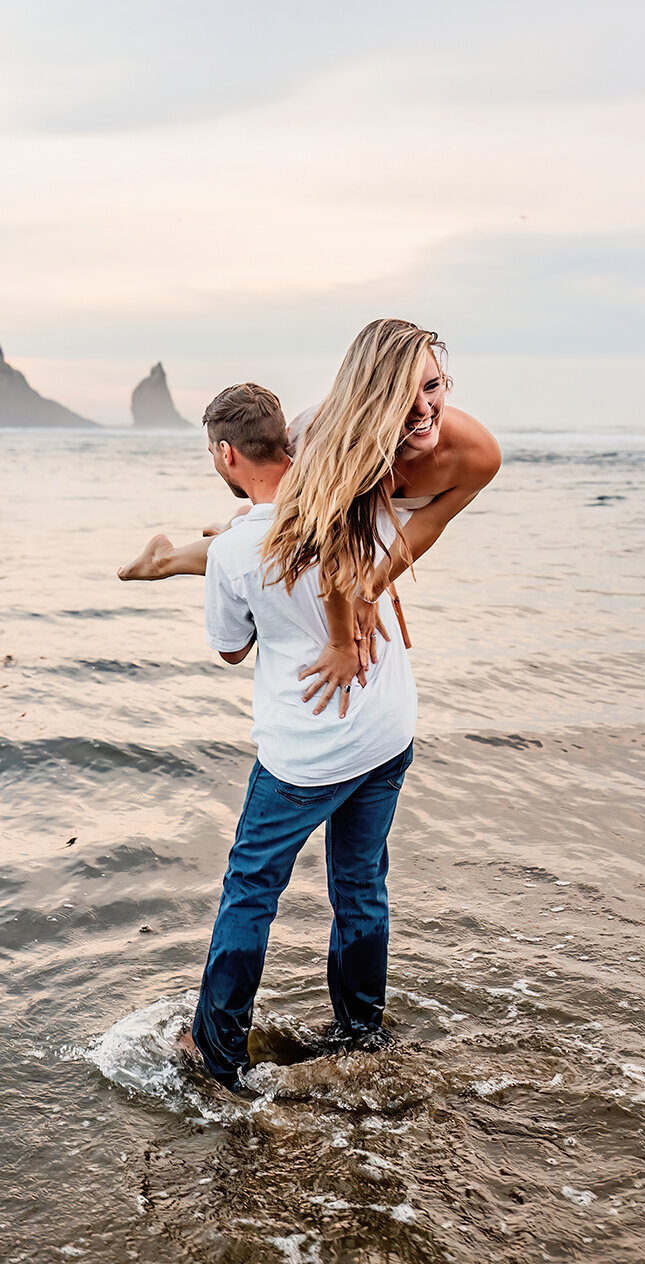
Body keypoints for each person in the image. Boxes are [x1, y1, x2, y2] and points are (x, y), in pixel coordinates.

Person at [179, 381, 417, 1093]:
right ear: (285, 440)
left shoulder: (236, 547)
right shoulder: (353, 493)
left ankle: (216, 1053)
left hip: (306, 753)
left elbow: (230, 649)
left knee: (251, 889)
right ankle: (361, 1033)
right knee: (360, 881)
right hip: (384, 729)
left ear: (226, 454)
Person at [118, 319, 501, 714]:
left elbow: (431, 522)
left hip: (368, 491)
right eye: (402, 393)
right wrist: (343, 636)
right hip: (330, 473)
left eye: (432, 386)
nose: (423, 408)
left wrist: (371, 587)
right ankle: (170, 556)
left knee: (338, 572)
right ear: (371, 396)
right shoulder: (325, 444)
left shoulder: (478, 455)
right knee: (286, 545)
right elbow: (331, 548)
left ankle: (235, 527)